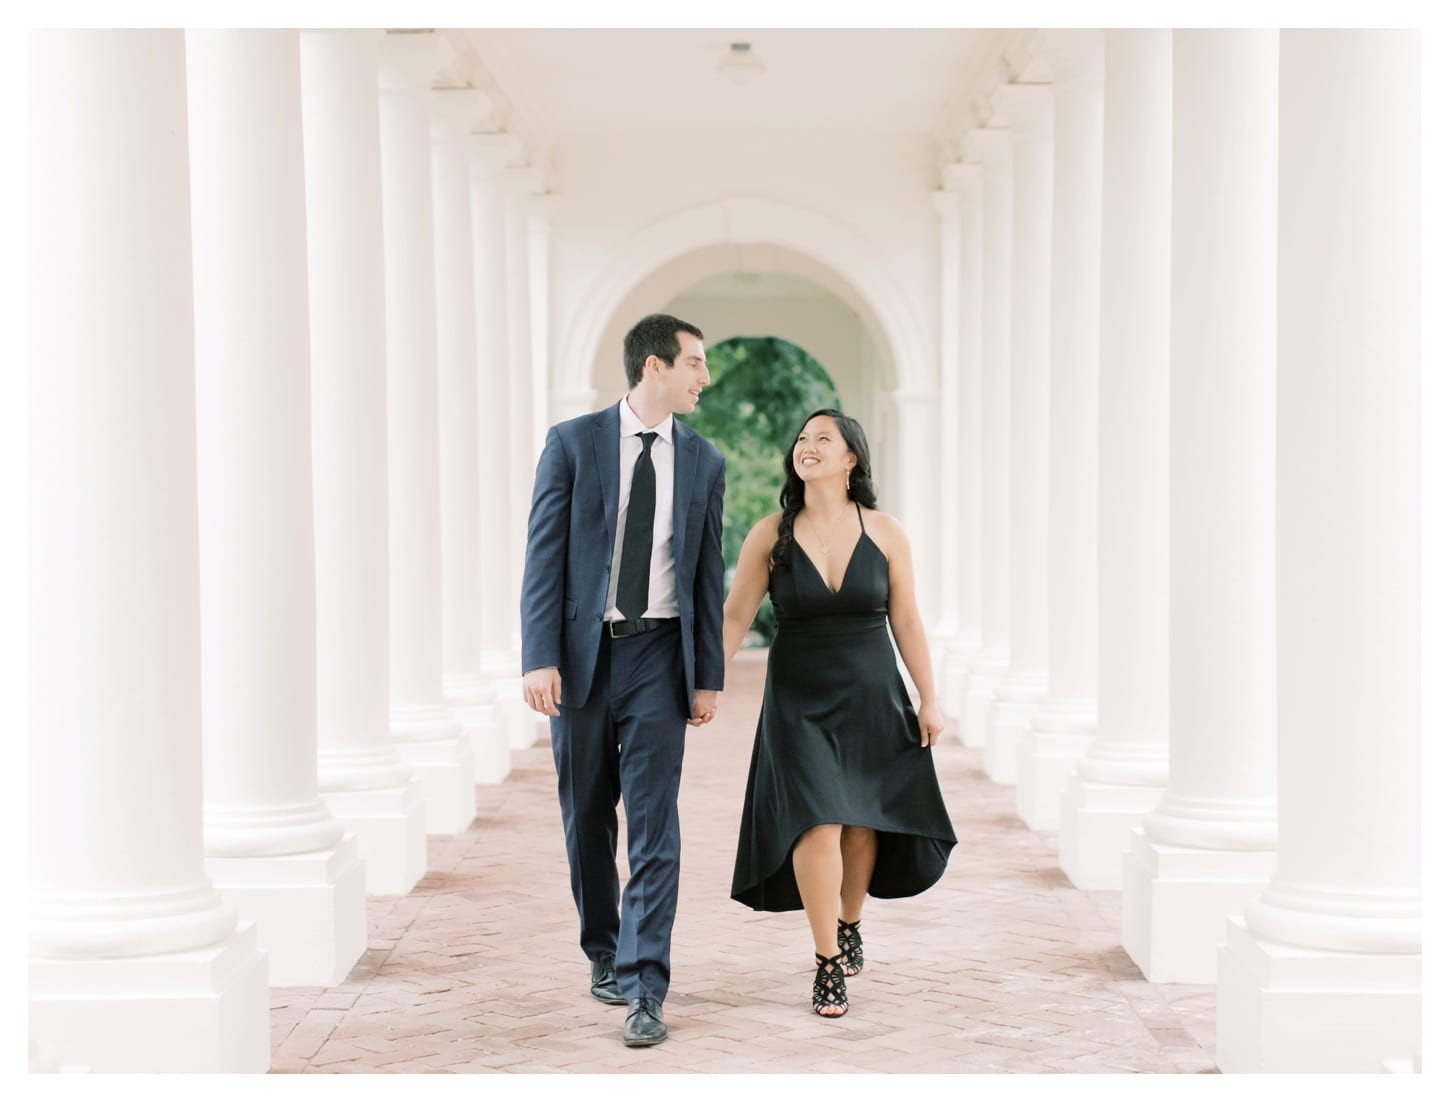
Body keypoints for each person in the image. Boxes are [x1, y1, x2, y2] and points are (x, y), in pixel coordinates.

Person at [520, 314, 726, 1048]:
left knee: (654, 822)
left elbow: (707, 576)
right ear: (654, 366)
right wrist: (537, 655)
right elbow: (543, 556)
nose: (704, 377)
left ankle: (645, 985)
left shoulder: (704, 461)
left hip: (659, 658)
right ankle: (603, 949)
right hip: (581, 657)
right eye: (695, 363)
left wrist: (707, 678)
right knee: (585, 816)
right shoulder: (573, 444)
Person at [722, 409, 957, 1017]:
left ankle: (850, 920)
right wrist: (704, 684)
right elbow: (734, 616)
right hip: (797, 699)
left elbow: (906, 618)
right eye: (801, 438)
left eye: (823, 439)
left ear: (851, 459)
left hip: (873, 694)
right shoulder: (768, 533)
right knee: (816, 821)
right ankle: (828, 960)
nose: (808, 446)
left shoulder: (885, 532)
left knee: (860, 823)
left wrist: (928, 696)